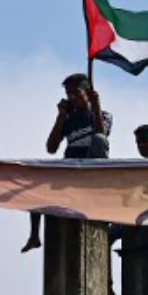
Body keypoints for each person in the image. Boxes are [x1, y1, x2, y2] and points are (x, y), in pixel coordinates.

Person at [21, 73, 113, 252]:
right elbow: (51, 147)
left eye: (75, 93)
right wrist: (61, 116)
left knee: (99, 140)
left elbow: (101, 135)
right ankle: (34, 235)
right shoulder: (69, 118)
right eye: (68, 94)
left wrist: (96, 105)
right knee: (36, 185)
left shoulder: (103, 114)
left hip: (92, 166)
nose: (72, 98)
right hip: (71, 167)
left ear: (87, 92)